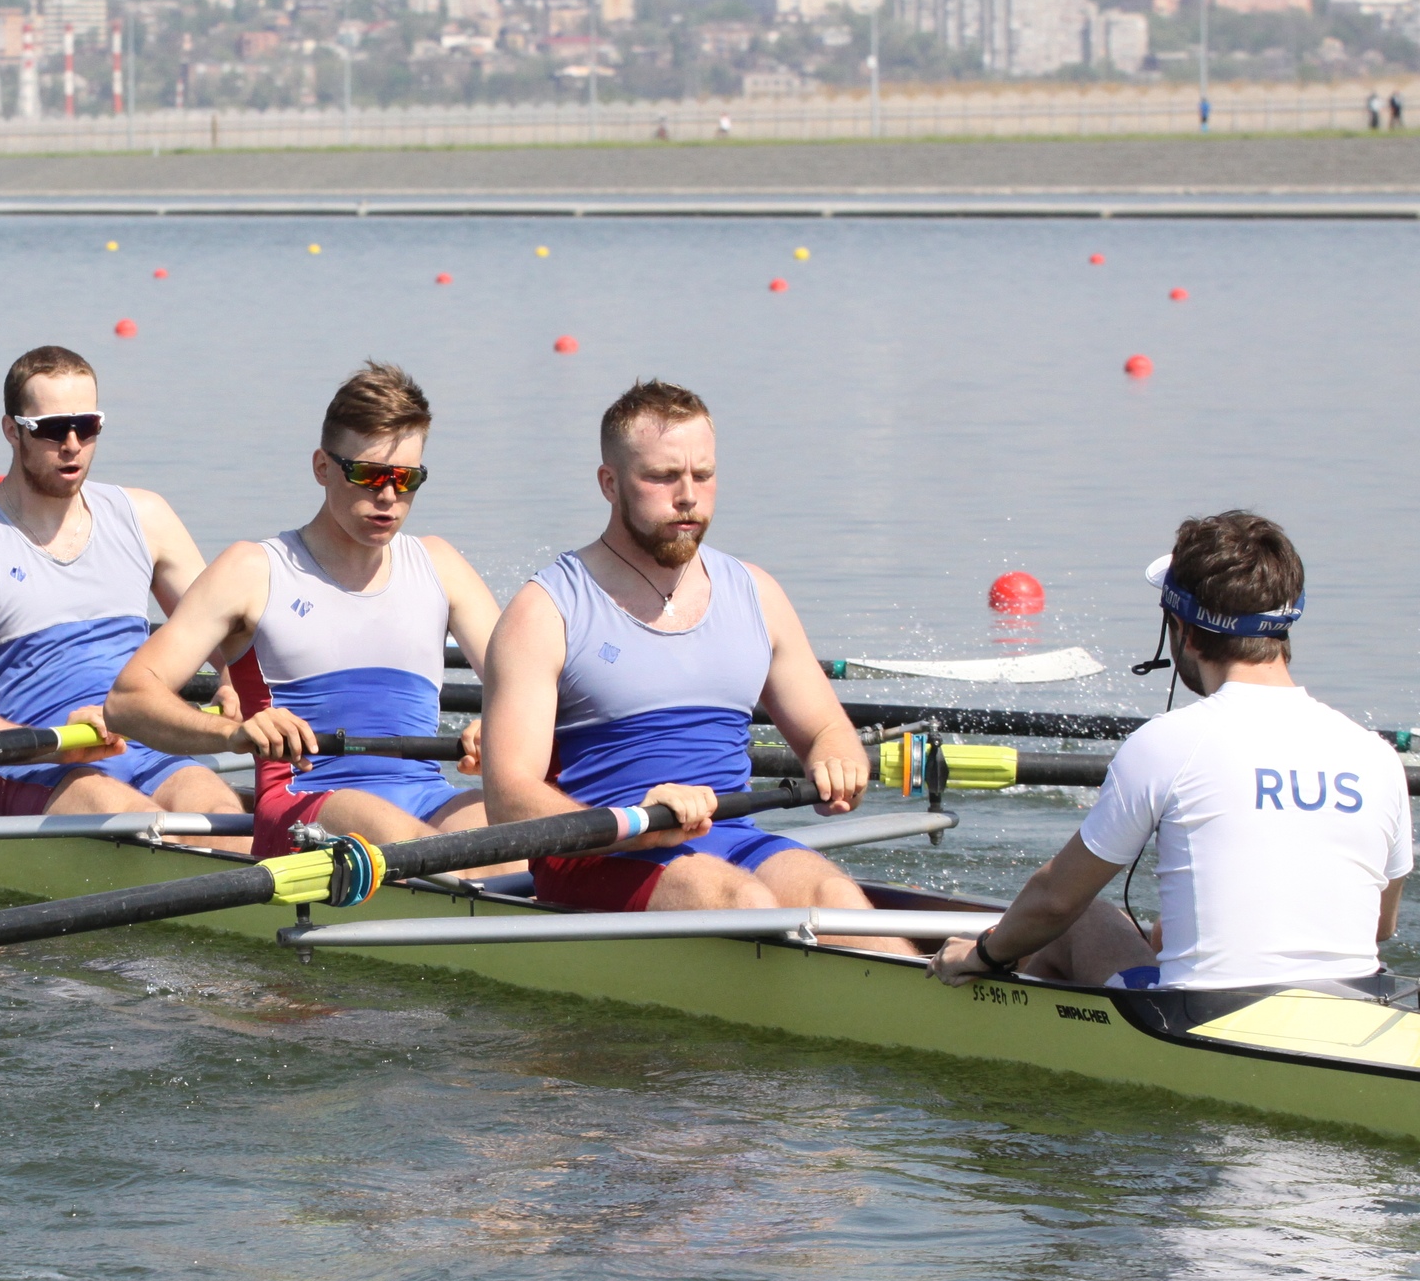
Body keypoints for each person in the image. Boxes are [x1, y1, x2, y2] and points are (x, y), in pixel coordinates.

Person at [479, 378, 904, 951]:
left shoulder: (757, 594)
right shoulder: (546, 610)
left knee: (837, 900)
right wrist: (633, 822)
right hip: (595, 854)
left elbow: (828, 730)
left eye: (702, 476)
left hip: (731, 836)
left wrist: (837, 758)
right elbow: (508, 798)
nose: (687, 496)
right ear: (610, 483)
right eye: (661, 477)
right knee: (744, 903)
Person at [931, 512, 1408, 993]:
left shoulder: (1167, 744)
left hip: (1208, 1021)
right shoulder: (1378, 756)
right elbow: (1380, 926)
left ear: (1184, 630)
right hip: (1356, 1013)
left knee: (1082, 919)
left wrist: (984, 952)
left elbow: (1056, 900)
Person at [107, 361, 502, 860]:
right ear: (321, 467)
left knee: (510, 833)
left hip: (425, 796)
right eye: (367, 474)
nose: (387, 497)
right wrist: (232, 733)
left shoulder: (441, 566)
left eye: (406, 479)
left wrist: (505, 725)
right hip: (304, 803)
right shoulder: (252, 571)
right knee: (392, 829)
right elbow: (126, 701)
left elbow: (537, 695)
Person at [0, 344, 246, 840]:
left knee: (222, 813)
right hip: (35, 767)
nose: (71, 444)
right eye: (50, 429)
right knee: (140, 825)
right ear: (12, 430)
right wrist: (51, 746)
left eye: (86, 427)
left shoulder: (145, 517)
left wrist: (234, 679)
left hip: (145, 743)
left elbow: (234, 637)